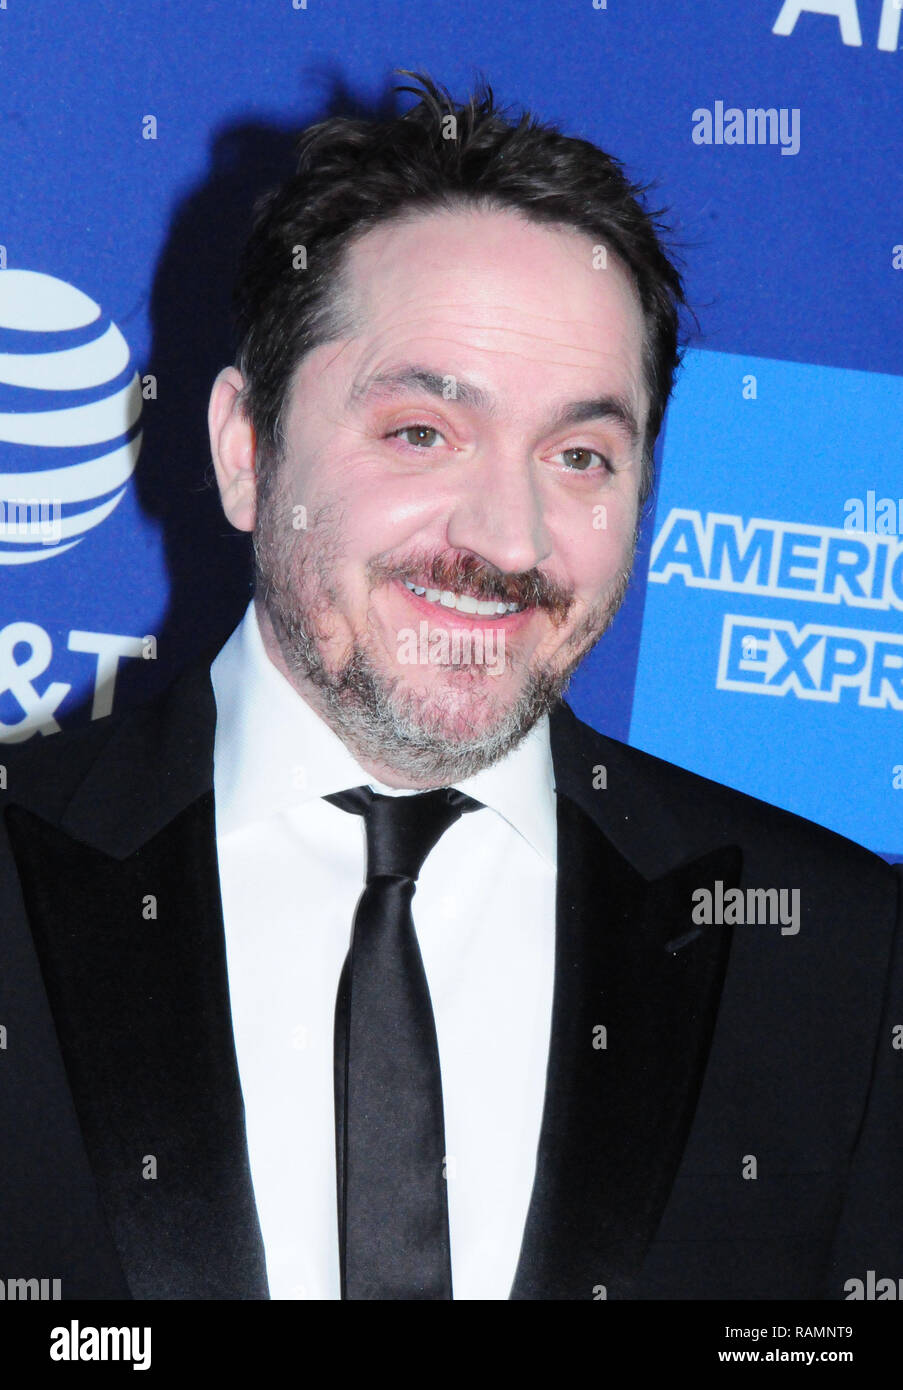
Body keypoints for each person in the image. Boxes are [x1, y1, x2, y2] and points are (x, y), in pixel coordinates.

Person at [1, 73, 900, 1302]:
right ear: (245, 451)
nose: (511, 537)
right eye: (423, 431)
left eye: (581, 455)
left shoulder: (841, 954)